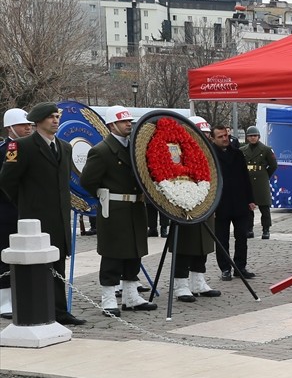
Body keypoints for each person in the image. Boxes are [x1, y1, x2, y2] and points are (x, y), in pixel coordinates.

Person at [0, 101, 86, 325]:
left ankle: (60, 311)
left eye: (57, 117)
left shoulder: (64, 147)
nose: (56, 121)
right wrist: (26, 204)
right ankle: (38, 310)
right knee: (36, 267)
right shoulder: (20, 146)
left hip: (59, 218)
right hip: (34, 218)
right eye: (51, 117)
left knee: (58, 264)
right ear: (38, 121)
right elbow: (7, 180)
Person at [79, 105, 156, 316]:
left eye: (129, 121)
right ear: (112, 125)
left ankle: (131, 297)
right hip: (115, 209)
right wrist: (103, 194)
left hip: (135, 206)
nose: (128, 124)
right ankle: (108, 299)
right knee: (113, 254)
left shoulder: (134, 148)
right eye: (124, 121)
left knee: (134, 252)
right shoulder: (102, 150)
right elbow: (87, 180)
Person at [171, 117, 222, 303]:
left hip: (205, 203)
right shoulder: (177, 151)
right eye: (202, 133)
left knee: (203, 244)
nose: (205, 137)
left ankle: (198, 281)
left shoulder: (209, 154)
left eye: (207, 134)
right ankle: (181, 284)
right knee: (185, 246)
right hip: (184, 204)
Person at [0, 108, 34, 318]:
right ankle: (4, 300)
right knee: (5, 255)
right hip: (7, 211)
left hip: (27, 210)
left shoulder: (30, 148)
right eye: (23, 125)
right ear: (10, 128)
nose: (28, 128)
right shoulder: (7, 150)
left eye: (29, 124)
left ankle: (24, 294)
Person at [212, 125, 256, 281]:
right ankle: (225, 268)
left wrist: (250, 199)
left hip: (239, 202)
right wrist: (211, 206)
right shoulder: (210, 154)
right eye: (220, 137)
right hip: (220, 203)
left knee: (242, 236)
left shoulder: (237, 153)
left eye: (226, 135)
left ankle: (240, 267)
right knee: (222, 239)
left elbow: (245, 177)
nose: (225, 139)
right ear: (213, 139)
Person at [242, 126, 277, 239]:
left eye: (255, 136)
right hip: (248, 179)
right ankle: (249, 229)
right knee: (248, 207)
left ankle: (266, 229)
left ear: (259, 137)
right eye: (250, 136)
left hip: (261, 180)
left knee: (264, 206)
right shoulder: (242, 150)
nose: (253, 138)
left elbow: (273, 165)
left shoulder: (266, 149)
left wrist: (265, 175)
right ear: (247, 138)